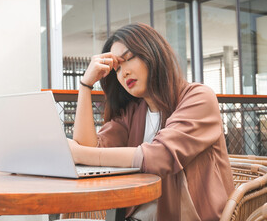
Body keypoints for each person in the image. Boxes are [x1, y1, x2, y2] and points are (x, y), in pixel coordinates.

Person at [68, 23, 234, 221]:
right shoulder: (133, 112)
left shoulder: (199, 98)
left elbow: (161, 156)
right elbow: (89, 146)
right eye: (117, 68)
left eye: (129, 59)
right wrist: (86, 85)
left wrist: (81, 154)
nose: (124, 73)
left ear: (152, 53)